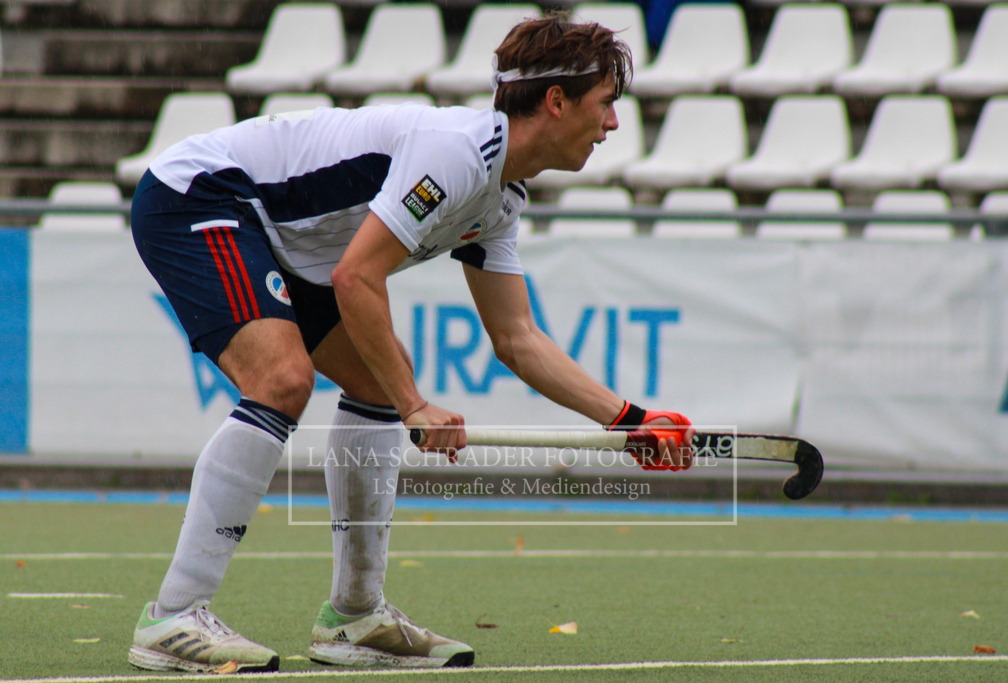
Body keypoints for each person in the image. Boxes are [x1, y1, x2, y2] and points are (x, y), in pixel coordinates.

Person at [126, 13, 694, 674]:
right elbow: (356, 275)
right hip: (201, 194)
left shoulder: (501, 196)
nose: (613, 124)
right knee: (283, 379)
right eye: (606, 104)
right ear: (557, 100)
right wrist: (414, 405)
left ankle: (354, 617)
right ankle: (172, 615)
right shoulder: (457, 153)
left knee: (372, 382)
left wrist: (628, 422)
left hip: (289, 242)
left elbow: (517, 337)